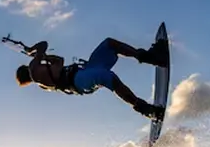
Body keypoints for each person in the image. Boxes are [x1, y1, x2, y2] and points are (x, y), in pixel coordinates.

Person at [15, 36, 168, 120]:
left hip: (84, 74)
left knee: (109, 44)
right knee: (108, 77)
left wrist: (45, 58)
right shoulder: (34, 67)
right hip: (80, 80)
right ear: (26, 69)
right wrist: (32, 51)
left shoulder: (42, 83)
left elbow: (59, 61)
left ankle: (151, 57)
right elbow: (43, 44)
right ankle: (146, 109)